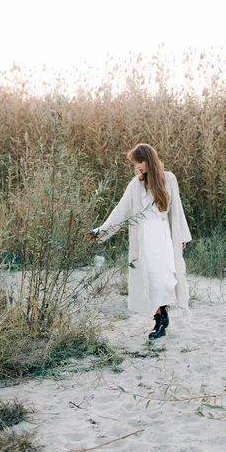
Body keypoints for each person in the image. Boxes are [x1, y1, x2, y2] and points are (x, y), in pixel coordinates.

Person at [86, 143, 192, 340]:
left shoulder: (169, 179)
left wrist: (182, 236)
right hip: (145, 240)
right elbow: (121, 210)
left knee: (162, 279)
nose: (138, 167)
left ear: (149, 159)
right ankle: (159, 320)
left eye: (140, 162)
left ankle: (163, 316)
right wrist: (101, 231)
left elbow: (177, 209)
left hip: (164, 237)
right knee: (151, 280)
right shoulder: (136, 185)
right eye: (135, 164)